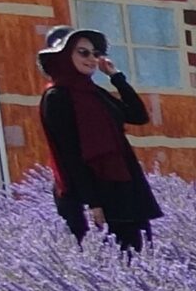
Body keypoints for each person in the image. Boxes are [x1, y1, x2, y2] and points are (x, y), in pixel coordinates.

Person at [36, 26, 161, 254]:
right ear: (63, 56)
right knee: (105, 263)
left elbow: (138, 115)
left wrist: (116, 77)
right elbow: (69, 154)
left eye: (95, 53)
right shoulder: (57, 97)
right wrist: (92, 203)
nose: (92, 59)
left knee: (140, 257)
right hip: (89, 195)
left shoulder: (95, 93)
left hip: (122, 188)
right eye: (83, 53)